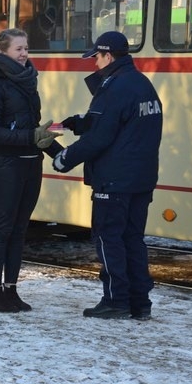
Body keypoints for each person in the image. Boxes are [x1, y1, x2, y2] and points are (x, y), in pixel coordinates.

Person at [53, 31, 163, 320]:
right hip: (142, 178)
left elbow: (101, 137)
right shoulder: (141, 84)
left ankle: (115, 300)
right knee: (132, 239)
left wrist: (66, 158)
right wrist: (76, 123)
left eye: (97, 57)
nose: (94, 63)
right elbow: (117, 123)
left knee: (107, 238)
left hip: (114, 179)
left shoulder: (113, 87)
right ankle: (140, 303)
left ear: (108, 56)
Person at [0, 28, 62, 313]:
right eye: (19, 49)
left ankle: (12, 290)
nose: (25, 53)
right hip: (5, 164)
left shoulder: (28, 81)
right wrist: (32, 137)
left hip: (30, 162)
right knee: (2, 227)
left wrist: (62, 154)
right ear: (2, 52)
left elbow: (33, 129)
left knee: (19, 229)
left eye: (26, 48)